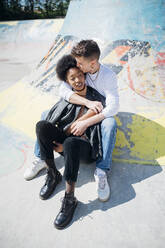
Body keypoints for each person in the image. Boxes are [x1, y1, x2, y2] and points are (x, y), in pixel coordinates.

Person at [24, 39, 119, 202]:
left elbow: (113, 107)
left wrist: (85, 122)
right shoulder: (81, 72)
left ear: (92, 63)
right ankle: (42, 158)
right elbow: (63, 89)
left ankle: (102, 170)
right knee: (46, 115)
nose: (77, 65)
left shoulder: (107, 76)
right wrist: (87, 103)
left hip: (96, 117)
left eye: (80, 63)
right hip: (86, 107)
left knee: (110, 123)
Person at [34, 55, 106, 229]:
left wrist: (80, 122)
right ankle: (53, 173)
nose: (77, 80)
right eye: (72, 78)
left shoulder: (95, 96)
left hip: (85, 148)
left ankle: (70, 198)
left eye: (80, 75)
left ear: (84, 75)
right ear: (67, 82)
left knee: (70, 143)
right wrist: (59, 143)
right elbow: (58, 124)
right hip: (66, 143)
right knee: (42, 126)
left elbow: (99, 108)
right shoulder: (68, 98)